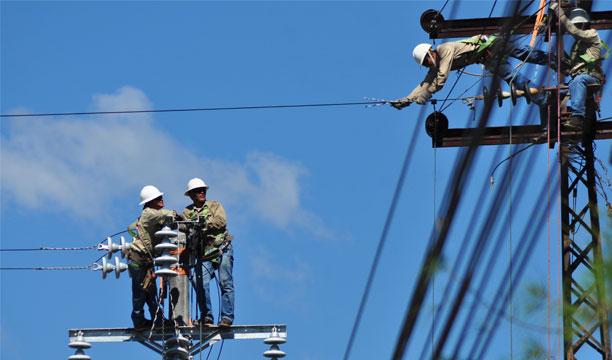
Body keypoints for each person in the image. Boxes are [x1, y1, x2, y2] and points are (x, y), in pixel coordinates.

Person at [391, 35, 552, 109]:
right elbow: (425, 83)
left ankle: (557, 62)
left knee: (526, 53)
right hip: (487, 59)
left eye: (426, 62)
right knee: (514, 79)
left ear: (430, 53)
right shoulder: (435, 64)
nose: (427, 66)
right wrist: (407, 99)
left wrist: (427, 94)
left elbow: (441, 78)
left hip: (491, 45)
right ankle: (545, 100)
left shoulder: (444, 50)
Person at [183, 178, 235, 327]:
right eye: (198, 191)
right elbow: (186, 229)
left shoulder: (214, 205)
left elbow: (221, 221)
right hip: (205, 252)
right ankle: (207, 317)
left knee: (225, 282)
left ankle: (227, 317)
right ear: (191, 194)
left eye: (203, 190)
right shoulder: (188, 211)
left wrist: (204, 224)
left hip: (221, 248)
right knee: (198, 281)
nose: (202, 192)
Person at [127, 185, 180, 328]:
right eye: (157, 198)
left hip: (145, 260)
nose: (161, 199)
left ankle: (158, 321)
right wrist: (176, 214)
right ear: (149, 202)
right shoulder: (148, 214)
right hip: (138, 259)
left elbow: (165, 221)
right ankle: (138, 321)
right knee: (140, 293)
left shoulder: (153, 216)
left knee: (150, 292)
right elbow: (166, 214)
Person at [549, 1, 606, 130]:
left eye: (579, 25)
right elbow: (572, 64)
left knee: (578, 81)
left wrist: (558, 11)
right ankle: (551, 129)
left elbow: (573, 30)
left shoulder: (592, 35)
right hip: (577, 80)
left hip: (592, 78)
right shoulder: (577, 46)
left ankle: (578, 117)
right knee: (554, 92)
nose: (577, 28)